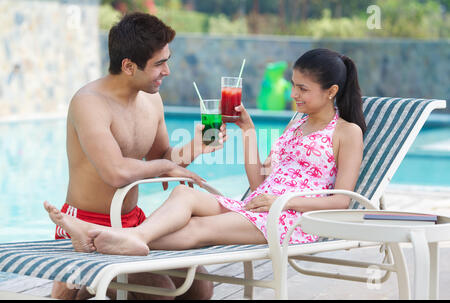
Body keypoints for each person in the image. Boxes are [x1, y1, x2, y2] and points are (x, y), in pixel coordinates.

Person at [44, 48, 365, 259]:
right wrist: (249, 131)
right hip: (259, 207)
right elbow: (259, 184)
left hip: (295, 222)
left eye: (303, 89)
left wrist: (280, 202)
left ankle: (104, 237)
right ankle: (125, 238)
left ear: (332, 91)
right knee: (185, 193)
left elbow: (341, 201)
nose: (294, 95)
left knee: (199, 230)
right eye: (293, 85)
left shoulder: (347, 133)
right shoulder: (296, 124)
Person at [47, 12, 225, 300]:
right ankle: (76, 287)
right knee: (160, 293)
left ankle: (84, 289)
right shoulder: (89, 103)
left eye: (167, 60)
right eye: (159, 64)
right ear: (129, 66)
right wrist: (166, 165)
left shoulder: (152, 99)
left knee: (201, 285)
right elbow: (115, 172)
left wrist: (197, 146)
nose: (167, 71)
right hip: (86, 223)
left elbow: (163, 159)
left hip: (132, 222)